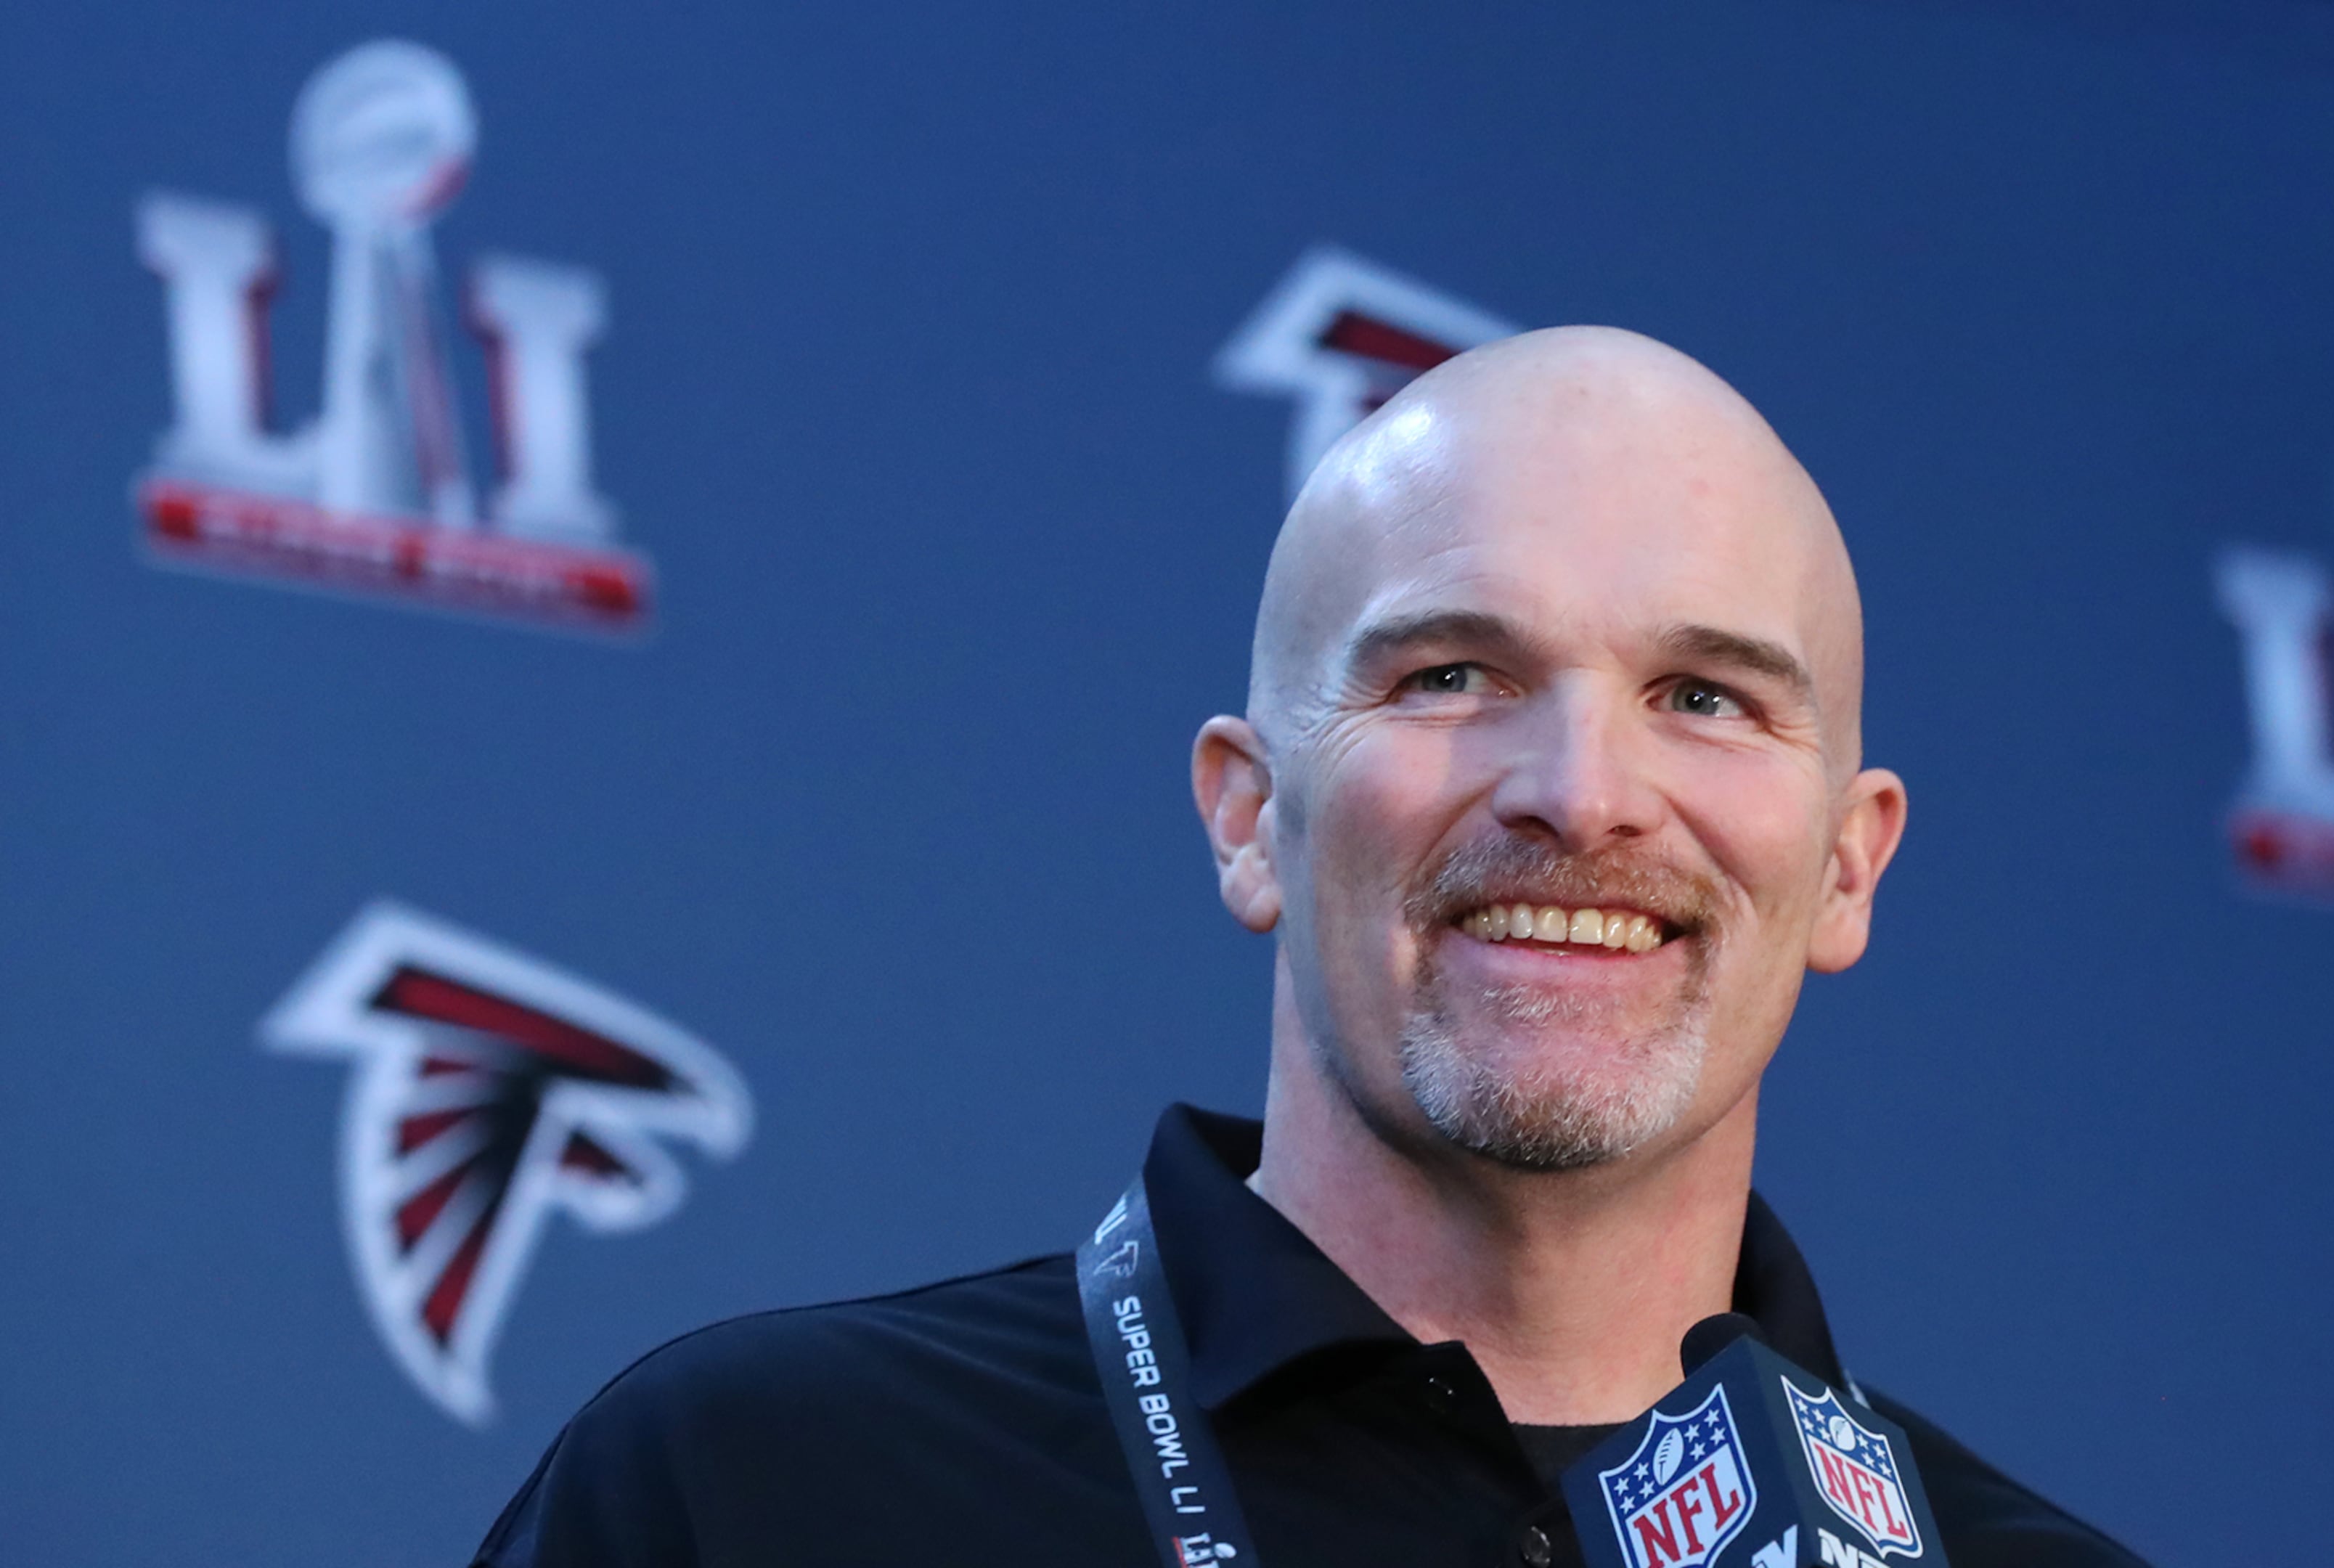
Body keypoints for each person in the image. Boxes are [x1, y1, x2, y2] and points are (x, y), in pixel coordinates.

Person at [473, 327, 2147, 1567]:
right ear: (1247, 815)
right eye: (1451, 677)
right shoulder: (764, 1493)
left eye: (1702, 698)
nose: (1579, 795)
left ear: (1849, 866)